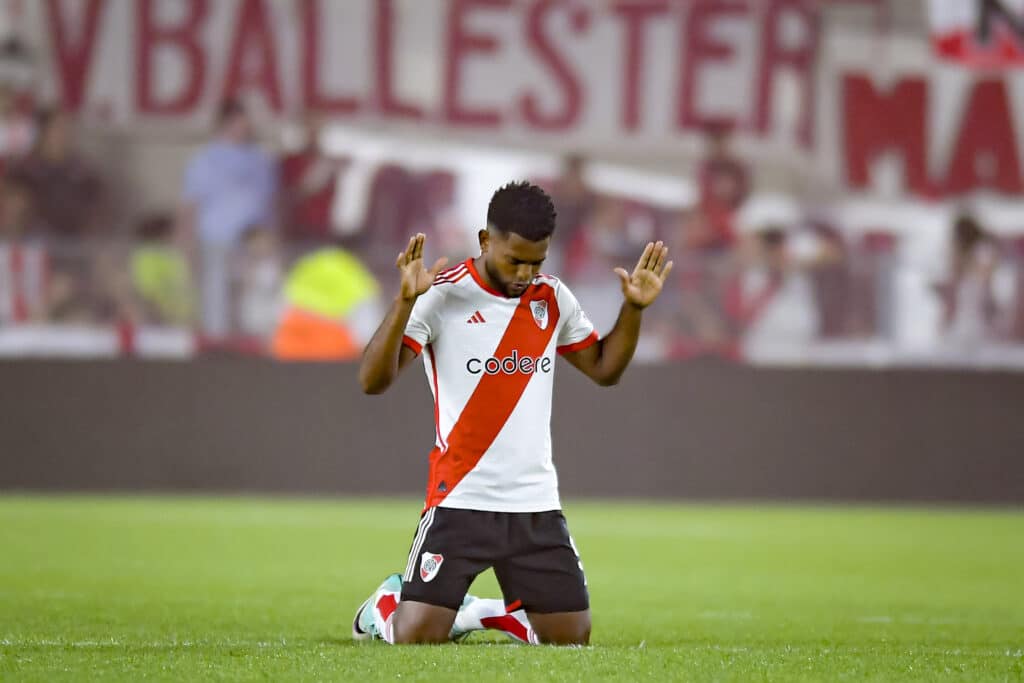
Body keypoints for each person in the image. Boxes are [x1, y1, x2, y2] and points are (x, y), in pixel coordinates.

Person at [352, 181, 672, 645]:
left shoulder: (553, 298)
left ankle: (482, 613)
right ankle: (387, 603)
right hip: (460, 498)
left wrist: (634, 309)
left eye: (536, 261)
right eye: (514, 259)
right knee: (415, 637)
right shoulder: (442, 295)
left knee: (569, 641)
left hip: (534, 504)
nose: (525, 272)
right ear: (486, 241)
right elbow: (372, 381)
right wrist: (404, 302)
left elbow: (605, 369)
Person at [179, 99, 278, 338]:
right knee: (216, 297)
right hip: (216, 239)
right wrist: (186, 244)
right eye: (237, 122)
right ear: (225, 123)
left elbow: (269, 203)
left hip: (252, 243)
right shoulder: (204, 160)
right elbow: (190, 205)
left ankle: (249, 344)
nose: (242, 128)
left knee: (251, 299)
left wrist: (271, 240)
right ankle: (216, 342)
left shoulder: (259, 160)